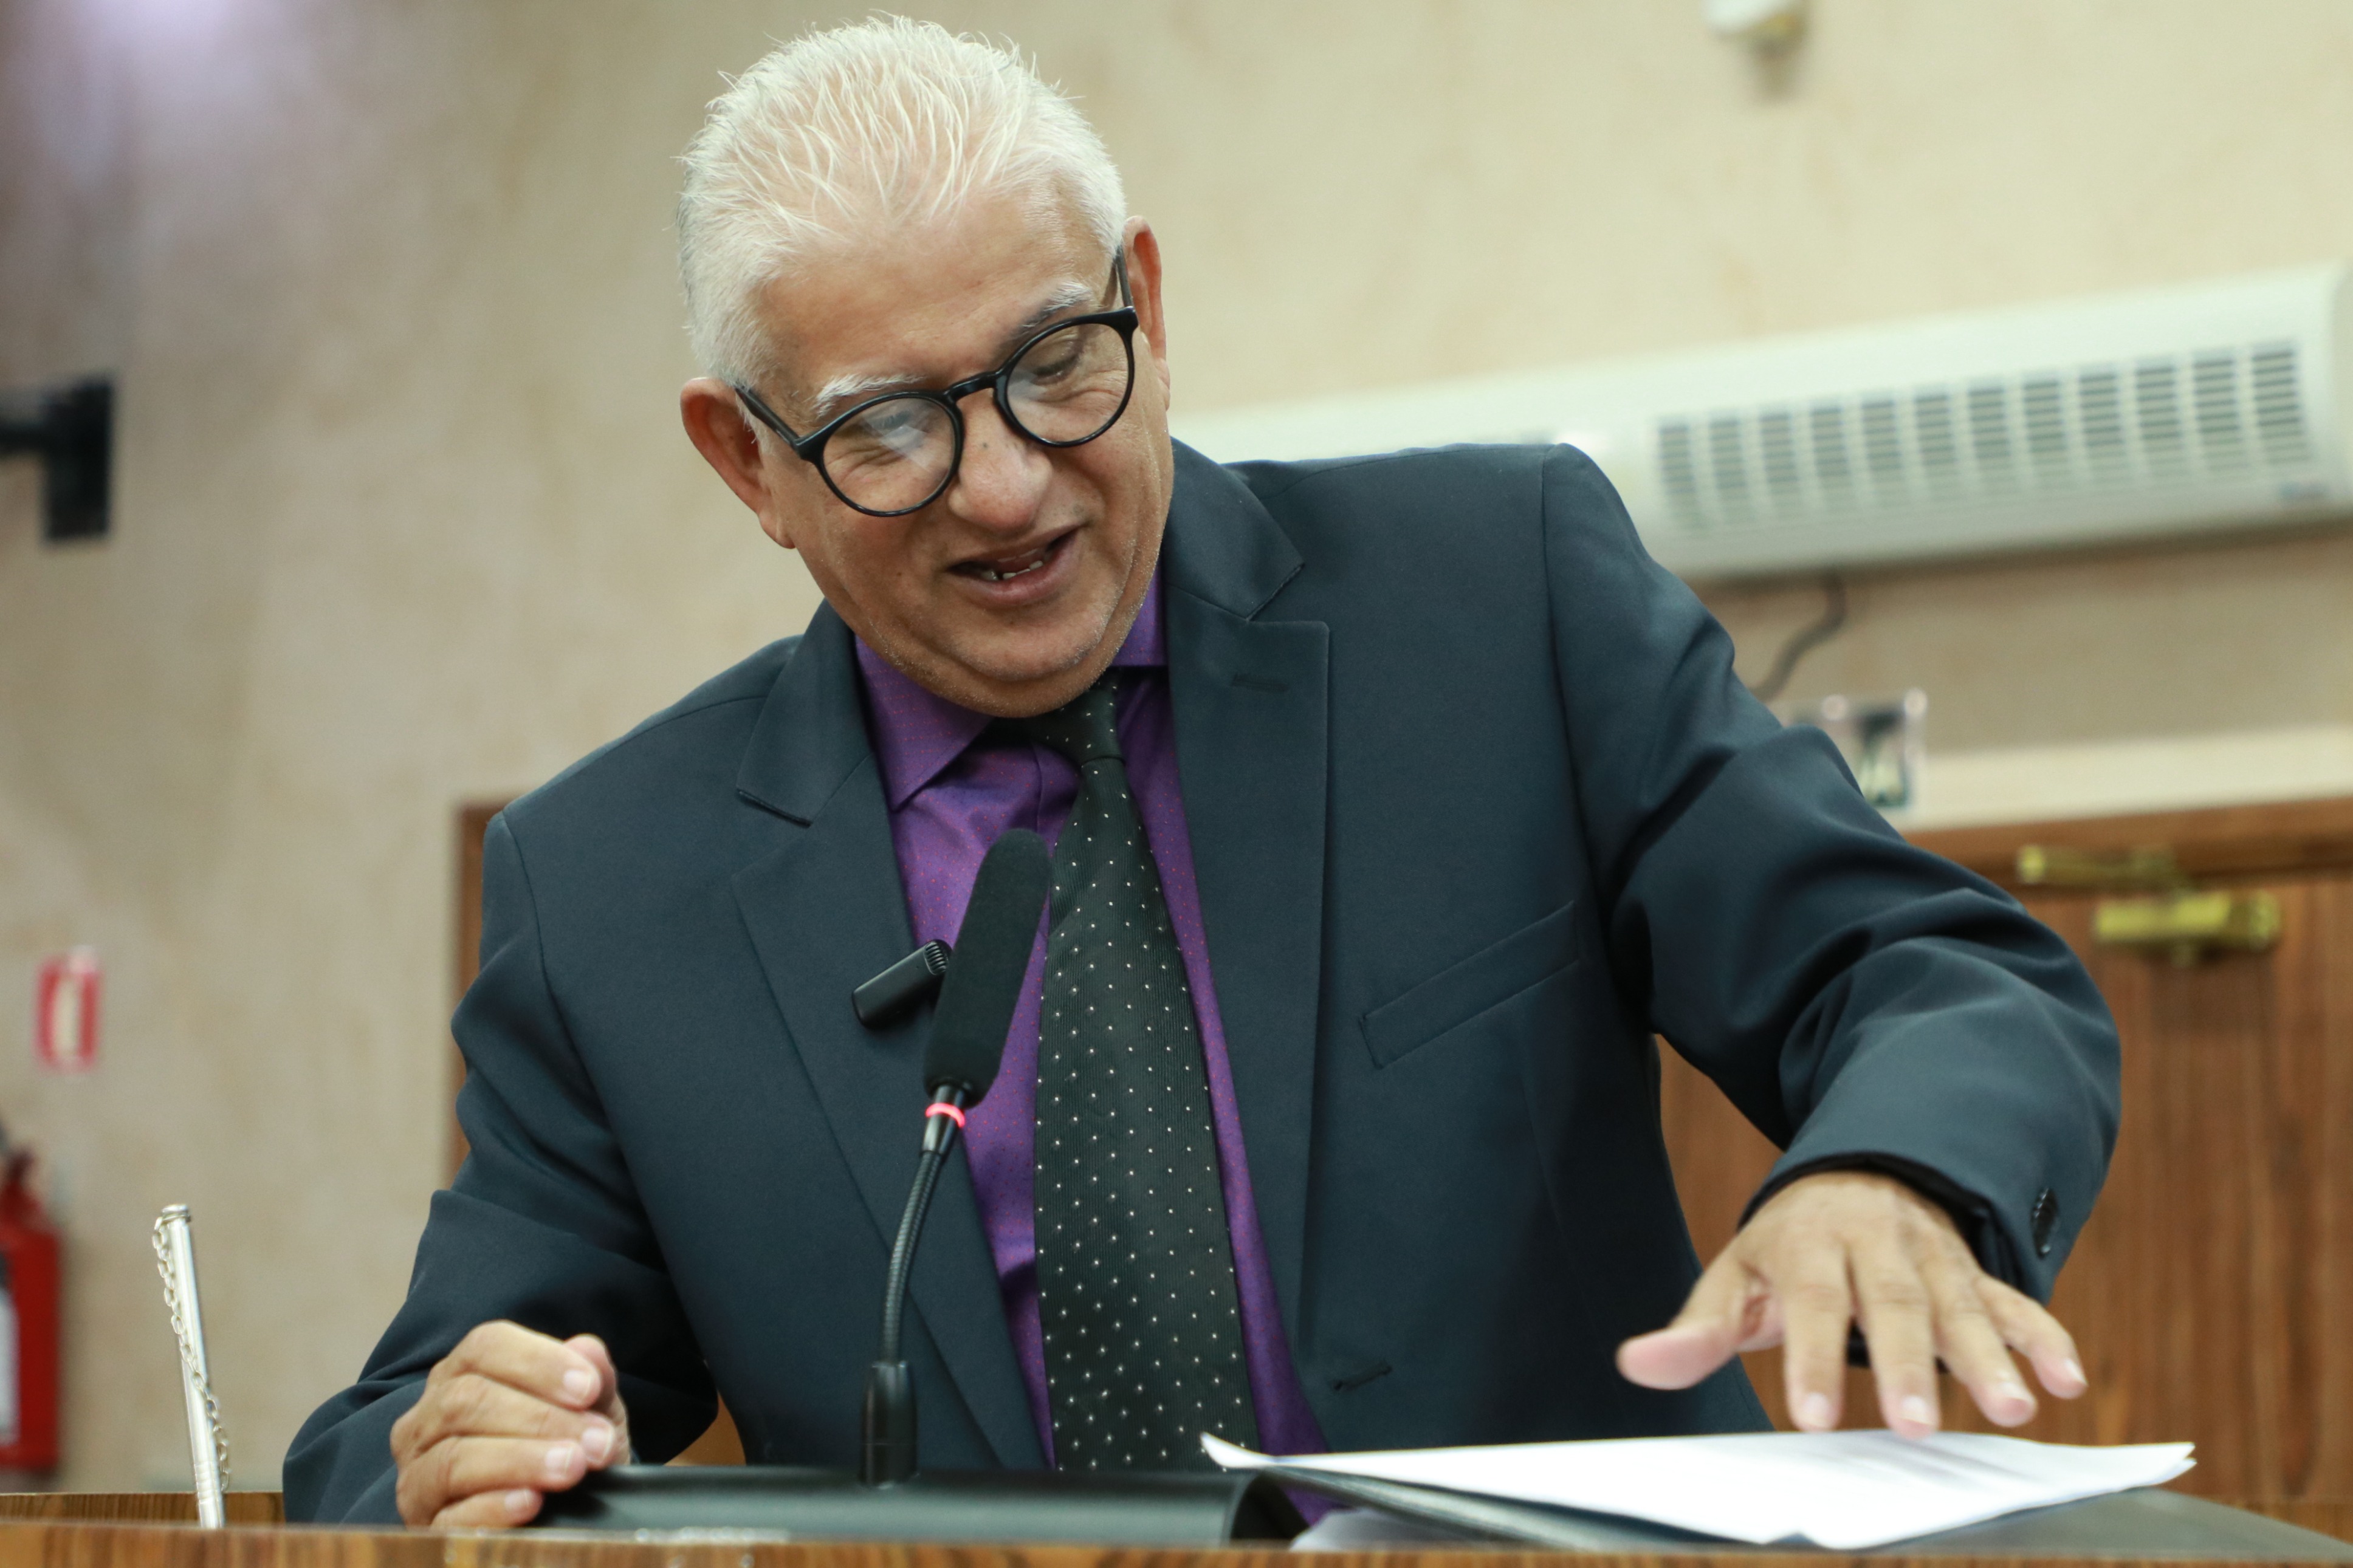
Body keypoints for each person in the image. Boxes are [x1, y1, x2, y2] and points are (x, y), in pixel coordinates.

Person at [285, 18, 2118, 1529]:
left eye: (1055, 365)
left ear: (1146, 305)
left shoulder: (1498, 607)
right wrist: (469, 1453)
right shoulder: (618, 889)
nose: (1008, 486)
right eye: (890, 429)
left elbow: (1937, 973)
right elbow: (397, 1439)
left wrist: (1890, 1171)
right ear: (746, 464)